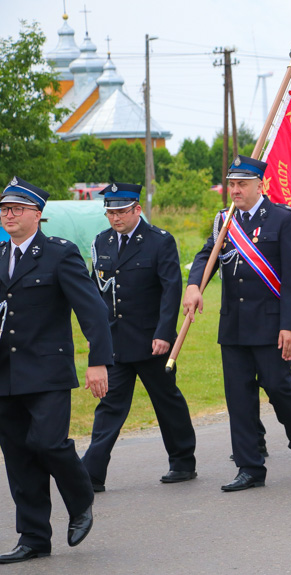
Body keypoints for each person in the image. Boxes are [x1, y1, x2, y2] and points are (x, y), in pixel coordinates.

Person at [184, 155, 291, 492]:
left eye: (242, 183)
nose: (235, 189)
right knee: (239, 398)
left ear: (261, 185)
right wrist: (194, 285)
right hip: (234, 324)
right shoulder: (224, 220)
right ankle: (250, 467)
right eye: (232, 183)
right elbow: (207, 256)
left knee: (278, 388)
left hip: (271, 325)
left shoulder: (282, 219)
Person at [0, 178, 112, 563]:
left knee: (49, 444)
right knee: (17, 455)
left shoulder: (59, 254)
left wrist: (98, 360)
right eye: (3, 209)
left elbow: (93, 309)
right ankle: (33, 537)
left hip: (47, 371)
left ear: (37, 214)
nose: (8, 215)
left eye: (16, 209)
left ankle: (80, 499)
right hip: (6, 373)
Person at [83, 183, 197, 492]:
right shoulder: (101, 242)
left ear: (137, 209)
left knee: (166, 401)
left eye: (121, 212)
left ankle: (183, 460)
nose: (115, 218)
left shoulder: (159, 241)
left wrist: (164, 334)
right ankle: (92, 473)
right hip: (116, 342)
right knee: (109, 406)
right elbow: (98, 293)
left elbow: (171, 290)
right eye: (110, 212)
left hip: (151, 342)